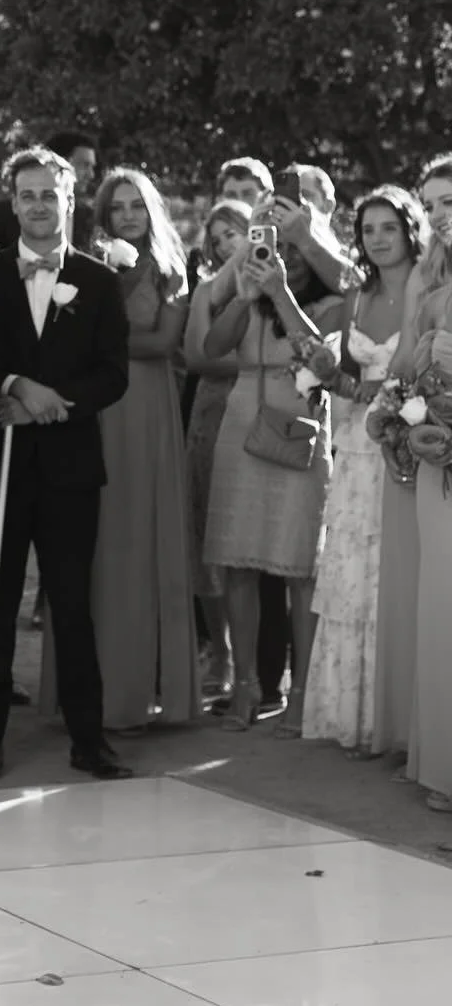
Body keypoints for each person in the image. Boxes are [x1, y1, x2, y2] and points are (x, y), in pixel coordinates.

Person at [0, 146, 132, 785]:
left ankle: (89, 741)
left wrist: (54, 405)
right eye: (27, 194)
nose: (38, 205)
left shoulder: (97, 280)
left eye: (49, 194)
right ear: (13, 201)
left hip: (69, 466)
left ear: (70, 201)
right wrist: (12, 387)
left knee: (70, 604)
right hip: (0, 467)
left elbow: (113, 373)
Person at [201, 227, 342, 731]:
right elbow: (210, 347)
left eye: (295, 254)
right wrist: (245, 296)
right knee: (239, 567)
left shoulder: (330, 305)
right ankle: (246, 687)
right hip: (241, 432)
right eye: (274, 252)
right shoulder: (250, 297)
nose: (284, 261)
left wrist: (281, 292)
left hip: (300, 437)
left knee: (300, 571)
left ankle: (301, 693)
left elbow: (322, 362)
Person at [77, 168, 199, 731]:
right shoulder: (87, 269)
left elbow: (163, 343)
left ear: (152, 212)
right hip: (99, 410)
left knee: (146, 540)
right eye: (118, 207)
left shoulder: (173, 271)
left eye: (137, 206)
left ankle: (149, 693)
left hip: (148, 411)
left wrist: (102, 334)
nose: (129, 215)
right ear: (103, 215)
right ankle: (92, 690)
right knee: (99, 538)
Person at [304, 187, 423, 753]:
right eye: (368, 229)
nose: (377, 239)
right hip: (352, 448)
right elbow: (350, 380)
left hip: (406, 448)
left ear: (409, 231)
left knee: (395, 573)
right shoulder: (355, 297)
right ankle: (352, 715)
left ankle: (400, 718)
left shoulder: (430, 293)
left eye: (388, 228)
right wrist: (324, 371)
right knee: (353, 575)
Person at [396, 157, 452, 812]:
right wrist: (407, 420)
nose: (439, 217)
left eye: (449, 202)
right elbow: (410, 378)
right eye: (432, 205)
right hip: (441, 461)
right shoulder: (431, 291)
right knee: (443, 607)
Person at [183, 200, 252, 701]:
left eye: (237, 234)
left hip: (265, 417)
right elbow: (196, 356)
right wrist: (259, 365)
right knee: (208, 538)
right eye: (219, 239)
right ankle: (222, 657)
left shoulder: (278, 287)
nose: (228, 244)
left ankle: (259, 663)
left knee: (251, 540)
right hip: (211, 415)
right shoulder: (207, 290)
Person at [0, 130, 98, 253]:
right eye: (84, 165)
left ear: (70, 203)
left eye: (49, 197)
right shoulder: (4, 213)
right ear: (59, 161)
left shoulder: (88, 217)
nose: (91, 174)